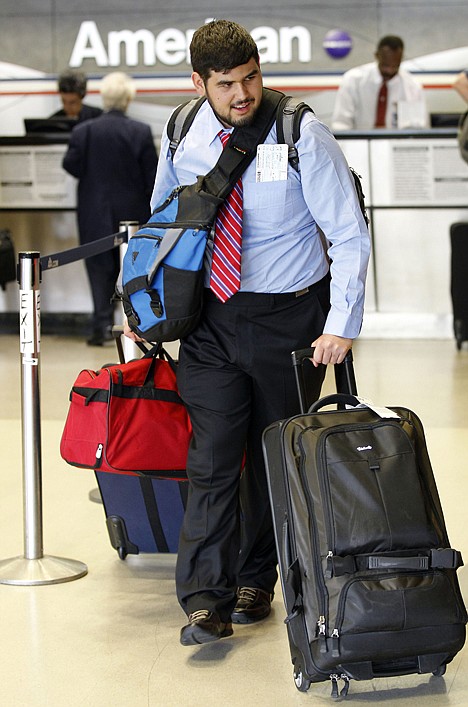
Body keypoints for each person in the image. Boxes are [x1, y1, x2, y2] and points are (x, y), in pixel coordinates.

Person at [125, 19, 370, 646]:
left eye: (252, 77)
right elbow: (162, 223)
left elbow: (347, 231)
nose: (243, 94)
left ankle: (255, 579)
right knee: (210, 458)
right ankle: (204, 598)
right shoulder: (182, 131)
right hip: (209, 318)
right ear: (198, 82)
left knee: (269, 457)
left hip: (288, 319)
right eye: (228, 83)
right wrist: (144, 305)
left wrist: (340, 326)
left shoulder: (299, 132)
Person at [63, 71, 158, 345]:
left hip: (93, 212)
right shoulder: (139, 131)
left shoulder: (84, 131)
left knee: (97, 271)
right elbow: (151, 177)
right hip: (133, 215)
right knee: (133, 271)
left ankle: (100, 327)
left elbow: (71, 165)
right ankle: (136, 326)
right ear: (128, 99)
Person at [331, 35, 427, 131]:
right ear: (377, 55)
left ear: (401, 58)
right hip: (358, 142)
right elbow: (341, 124)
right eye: (386, 65)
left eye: (395, 66)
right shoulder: (353, 80)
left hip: (396, 143)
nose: (390, 70)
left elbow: (417, 128)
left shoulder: (412, 86)